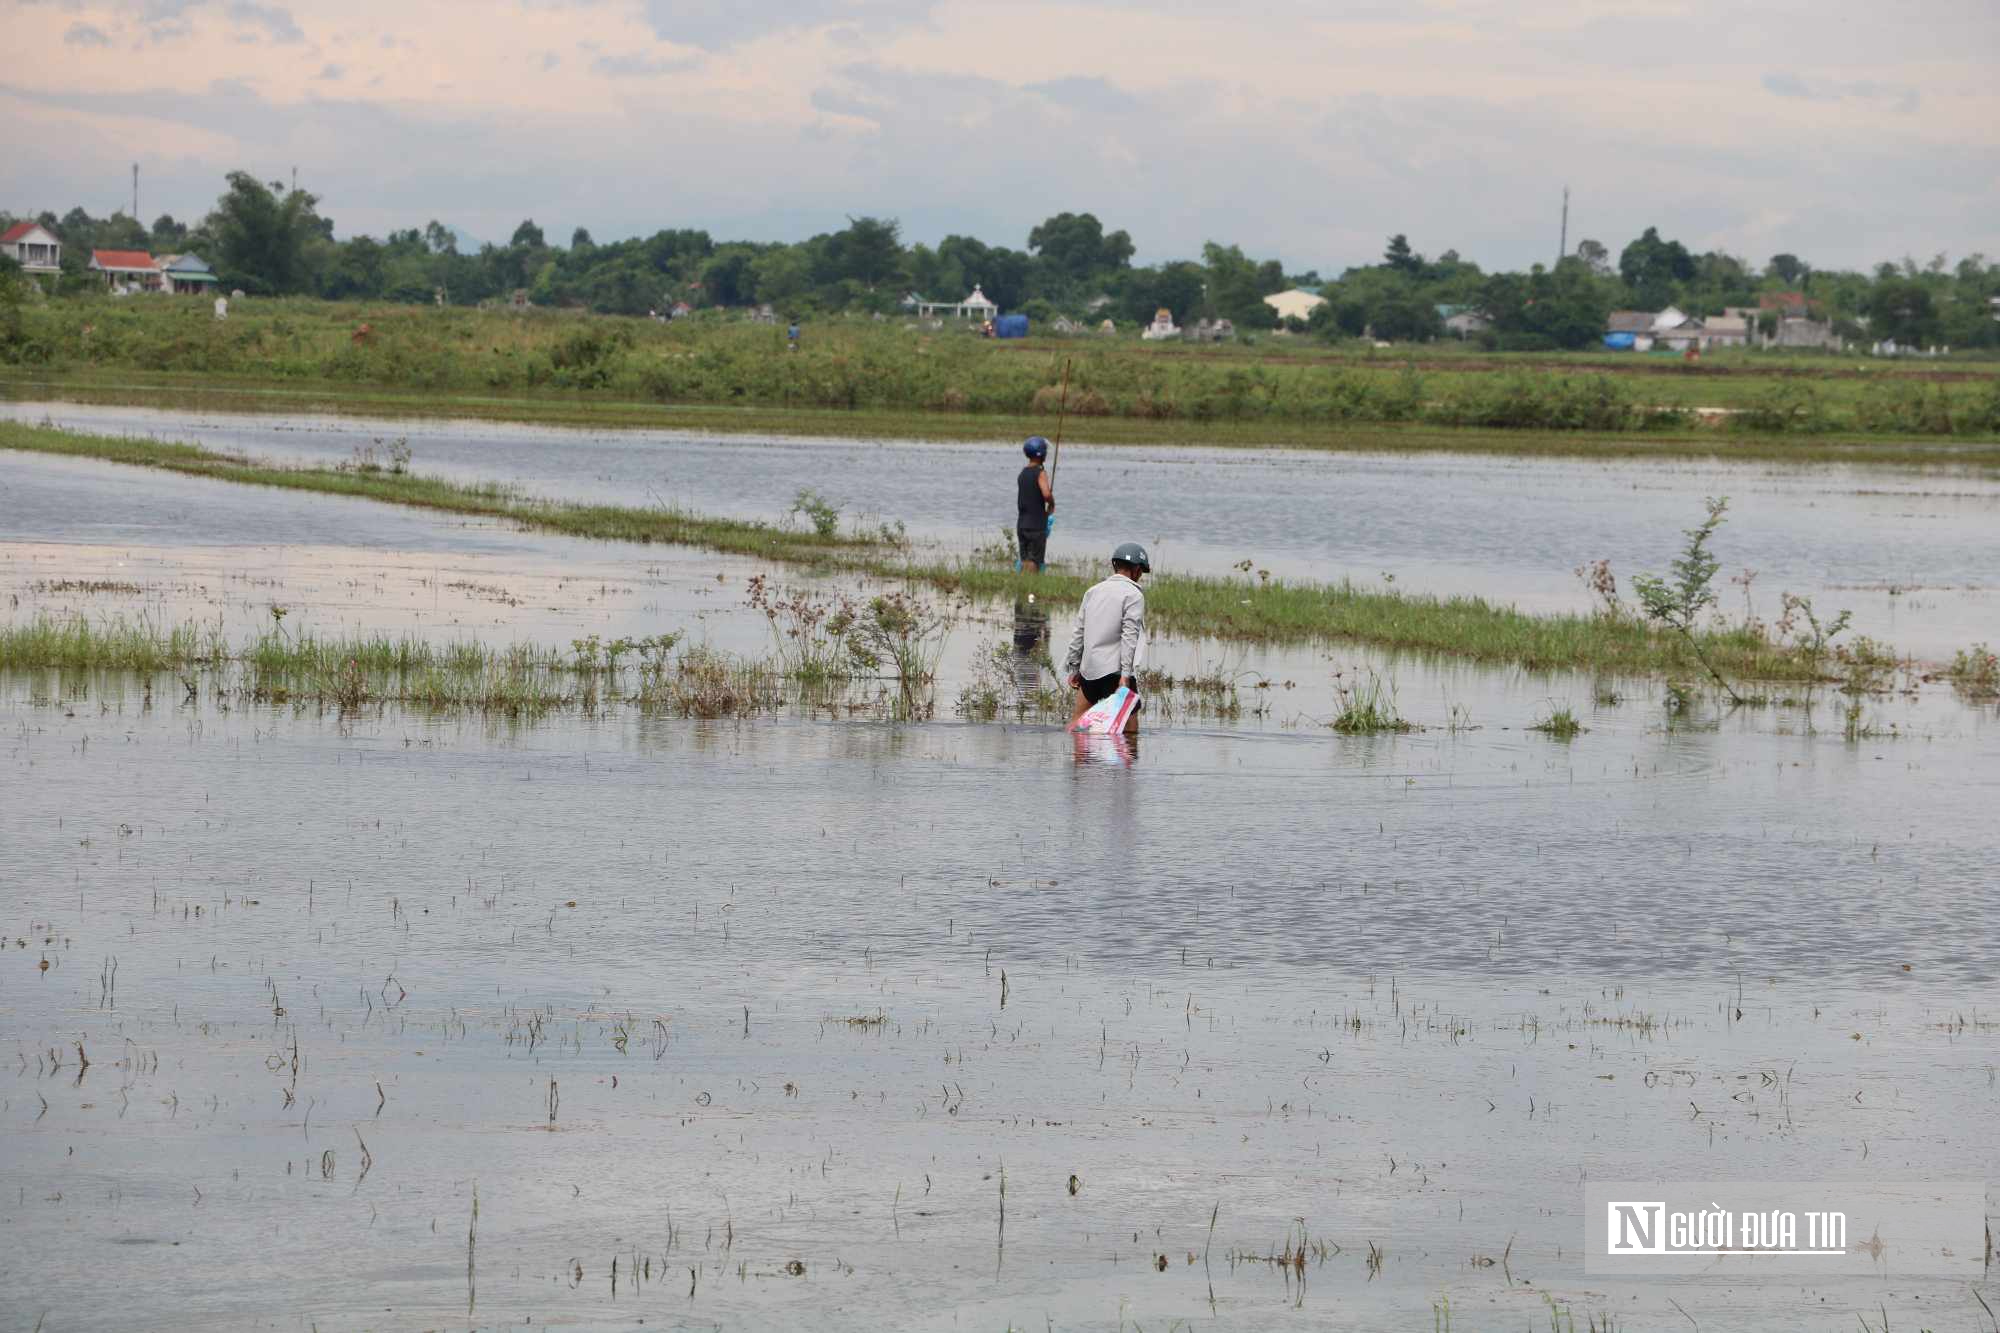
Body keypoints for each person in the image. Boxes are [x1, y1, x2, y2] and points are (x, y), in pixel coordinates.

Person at [1065, 542, 1149, 733]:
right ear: (1136, 570)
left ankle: (1078, 759)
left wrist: (1074, 668)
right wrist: (1125, 676)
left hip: (1090, 670)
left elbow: (1078, 632)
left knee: (1077, 724)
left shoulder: (1093, 591)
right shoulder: (1134, 594)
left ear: (1115, 565)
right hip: (1116, 672)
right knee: (1130, 732)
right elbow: (1130, 637)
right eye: (1141, 571)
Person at [1015, 436, 1054, 573]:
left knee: (1025, 558)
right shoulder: (1040, 473)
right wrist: (1051, 503)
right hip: (1036, 525)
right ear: (1041, 453)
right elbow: (1046, 494)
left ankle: (1025, 584)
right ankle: (1030, 585)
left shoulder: (1022, 473)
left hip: (1022, 524)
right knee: (1034, 560)